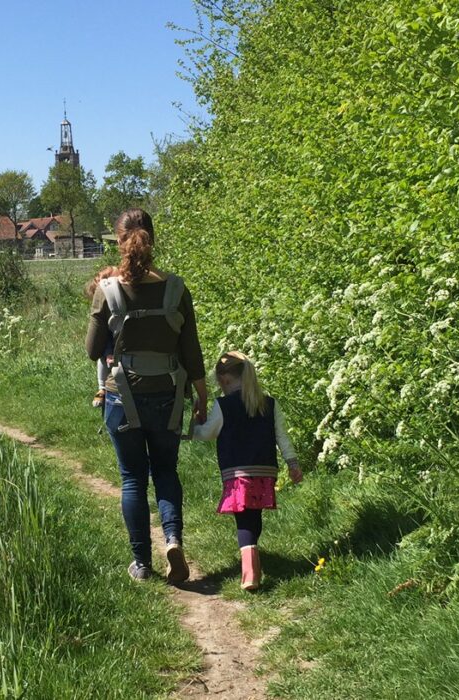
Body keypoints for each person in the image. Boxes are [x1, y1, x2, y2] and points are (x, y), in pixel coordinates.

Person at [86, 208, 208, 583]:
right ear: (152, 239)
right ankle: (172, 538)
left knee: (133, 479)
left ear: (119, 241)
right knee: (167, 471)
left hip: (124, 399)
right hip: (168, 396)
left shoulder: (108, 291)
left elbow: (93, 351)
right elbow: (192, 350)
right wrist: (201, 396)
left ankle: (141, 562)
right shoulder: (176, 288)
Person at [189, 351, 302, 591]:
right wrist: (292, 463)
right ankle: (253, 559)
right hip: (265, 470)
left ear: (226, 380)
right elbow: (281, 436)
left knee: (244, 517)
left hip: (237, 471)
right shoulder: (269, 403)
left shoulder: (224, 404)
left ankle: (250, 572)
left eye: (221, 385)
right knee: (254, 516)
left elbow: (208, 433)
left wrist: (193, 426)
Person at [83, 266, 119, 408]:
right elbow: (102, 339)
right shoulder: (108, 306)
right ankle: (102, 387)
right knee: (102, 359)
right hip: (109, 344)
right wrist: (108, 352)